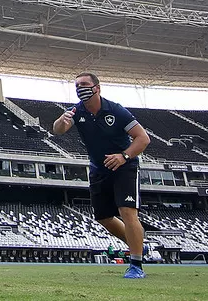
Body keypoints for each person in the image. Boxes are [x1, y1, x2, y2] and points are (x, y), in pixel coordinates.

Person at [53, 72, 151, 279]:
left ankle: (136, 264)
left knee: (127, 211)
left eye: (84, 84)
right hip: (98, 169)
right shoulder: (76, 111)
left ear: (97, 88)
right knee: (104, 217)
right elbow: (58, 130)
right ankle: (139, 246)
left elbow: (143, 138)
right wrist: (62, 120)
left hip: (124, 166)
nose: (80, 87)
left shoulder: (116, 111)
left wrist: (123, 156)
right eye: (77, 85)